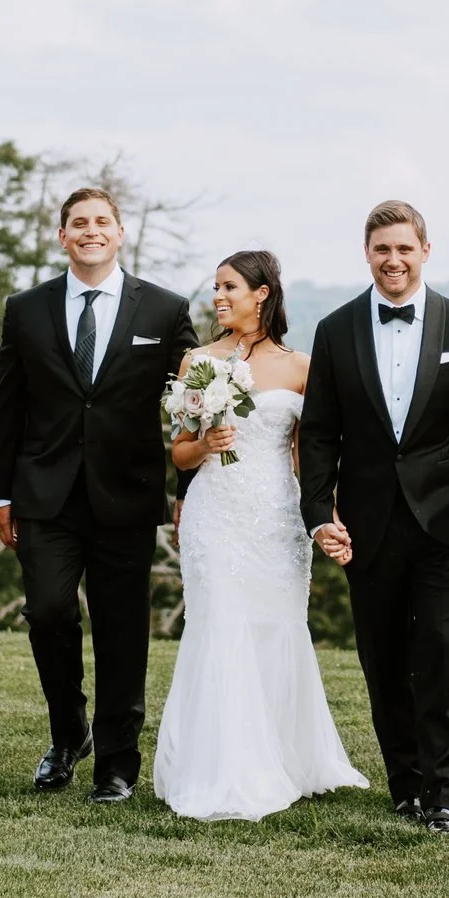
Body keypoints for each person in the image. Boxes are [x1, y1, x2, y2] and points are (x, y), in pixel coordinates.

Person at [298, 201, 449, 836]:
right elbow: (318, 435)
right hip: (368, 525)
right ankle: (405, 784)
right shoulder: (336, 330)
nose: (392, 261)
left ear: (425, 251)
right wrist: (320, 512)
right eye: (381, 250)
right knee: (384, 656)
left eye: (404, 249)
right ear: (367, 254)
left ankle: (442, 793)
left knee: (444, 651)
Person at [0, 187, 199, 803]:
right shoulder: (25, 309)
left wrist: (187, 489)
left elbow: (194, 405)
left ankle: (116, 763)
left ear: (120, 232)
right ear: (62, 236)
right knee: (49, 612)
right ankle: (68, 732)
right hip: (42, 495)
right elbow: (7, 408)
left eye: (101, 221)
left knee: (121, 628)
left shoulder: (162, 310)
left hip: (126, 496)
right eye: (78, 223)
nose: (90, 231)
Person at [153, 251, 369, 820]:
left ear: (262, 294)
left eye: (229, 287)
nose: (219, 297)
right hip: (215, 512)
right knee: (221, 622)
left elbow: (311, 456)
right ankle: (223, 767)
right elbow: (179, 450)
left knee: (276, 627)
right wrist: (206, 445)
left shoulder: (301, 367)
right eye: (216, 288)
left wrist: (327, 517)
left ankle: (286, 756)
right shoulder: (197, 361)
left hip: (278, 516)